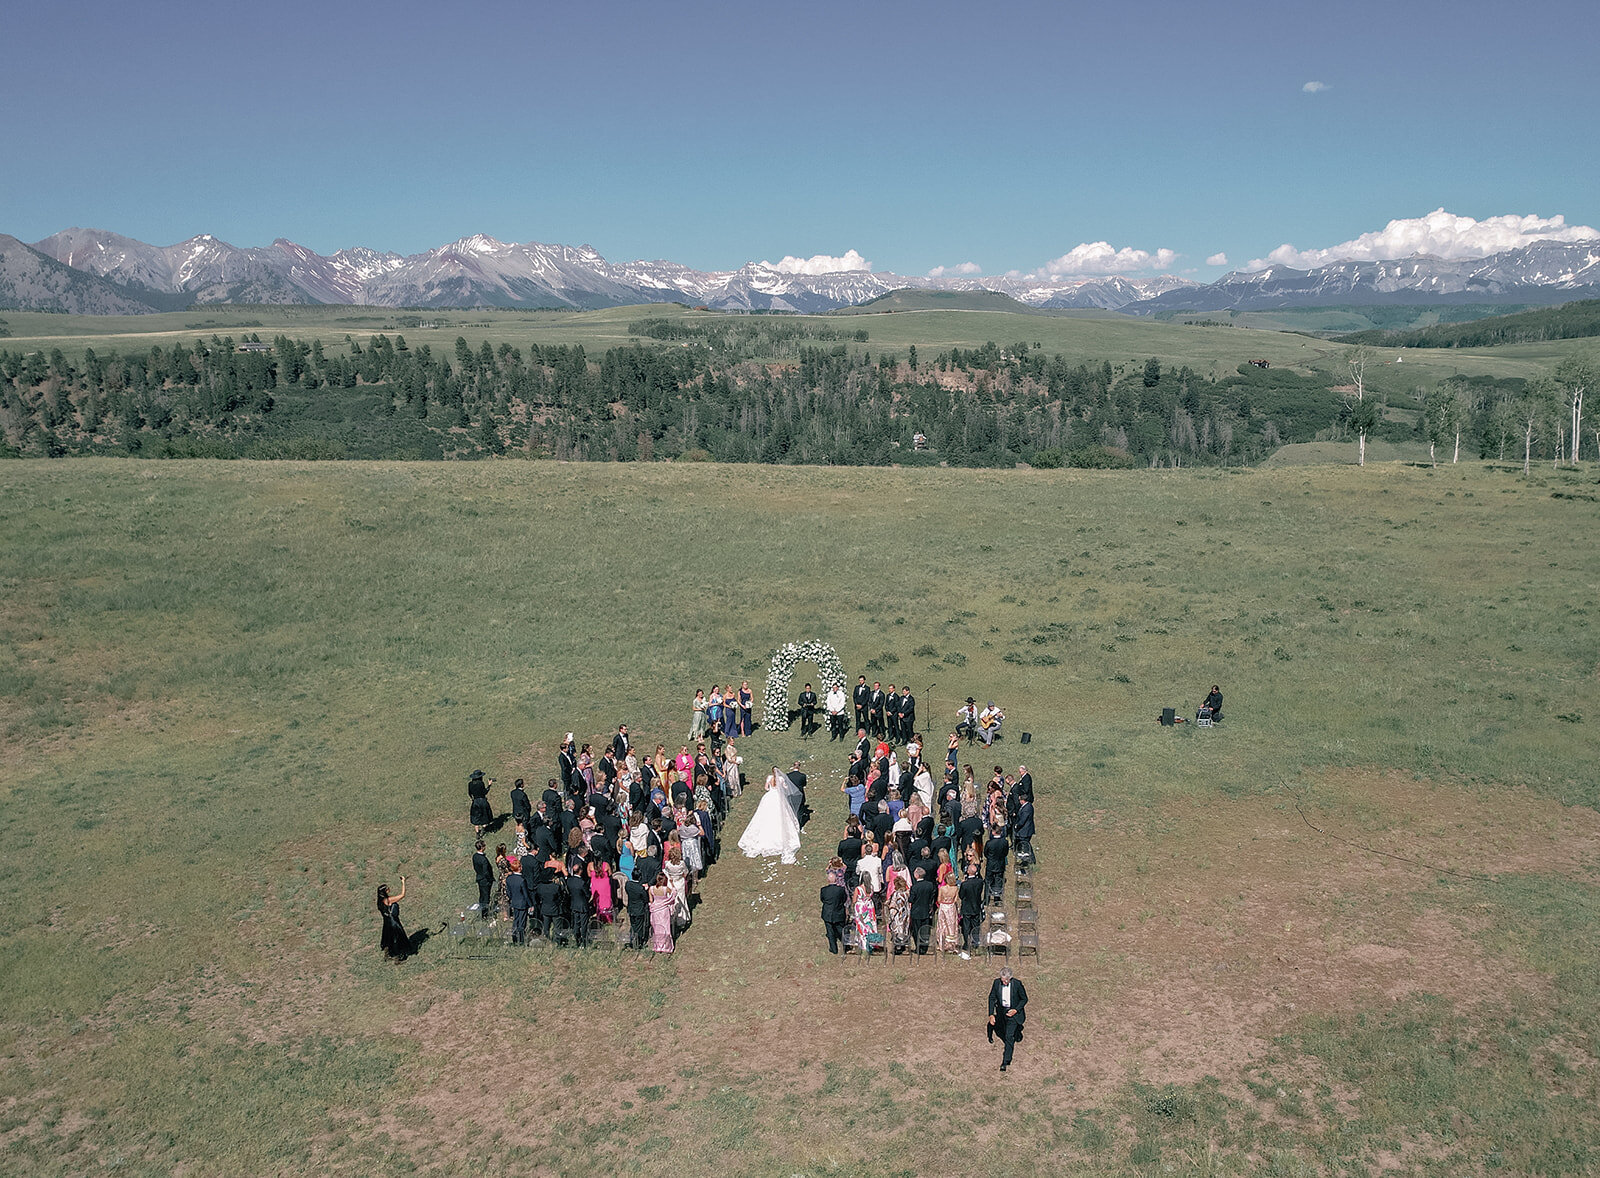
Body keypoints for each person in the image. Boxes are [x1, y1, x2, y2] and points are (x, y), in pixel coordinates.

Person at [737, 767, 803, 863]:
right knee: (780, 816)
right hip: (778, 797)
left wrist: (771, 789)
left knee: (765, 815)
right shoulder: (781, 779)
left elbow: (766, 788)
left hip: (769, 797)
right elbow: (785, 787)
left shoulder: (769, 778)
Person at [988, 965, 1029, 1071]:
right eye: (1002, 980)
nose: (1004, 983)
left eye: (1006, 981)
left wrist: (1015, 1010)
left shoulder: (1017, 984)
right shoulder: (996, 983)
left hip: (1013, 1013)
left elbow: (1024, 999)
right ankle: (1015, 1033)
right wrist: (991, 1014)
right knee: (1005, 1030)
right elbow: (992, 998)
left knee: (1008, 1037)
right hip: (1002, 1012)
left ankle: (1006, 1061)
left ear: (1010, 978)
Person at [958, 862, 985, 958]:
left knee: (966, 927)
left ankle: (966, 943)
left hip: (967, 907)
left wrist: (962, 883)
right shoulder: (980, 882)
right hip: (976, 906)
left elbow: (961, 896)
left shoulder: (965, 884)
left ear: (968, 872)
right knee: (976, 925)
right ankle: (975, 941)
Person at [377, 878, 409, 959]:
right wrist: (403, 883)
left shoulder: (379, 901)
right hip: (393, 922)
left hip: (386, 922)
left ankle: (387, 954)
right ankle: (397, 957)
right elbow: (402, 895)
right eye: (387, 888)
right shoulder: (388, 900)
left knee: (388, 938)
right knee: (397, 938)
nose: (389, 889)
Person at [909, 867, 938, 954]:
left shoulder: (914, 887)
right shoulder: (930, 885)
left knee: (916, 930)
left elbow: (911, 899)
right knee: (925, 930)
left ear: (917, 875)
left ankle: (918, 947)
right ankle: (924, 947)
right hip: (926, 910)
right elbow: (933, 896)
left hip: (916, 911)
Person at [820, 872, 848, 953]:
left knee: (830, 932)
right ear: (836, 879)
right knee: (841, 930)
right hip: (839, 913)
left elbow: (822, 900)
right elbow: (844, 899)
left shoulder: (824, 890)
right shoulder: (841, 890)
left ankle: (833, 949)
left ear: (828, 880)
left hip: (827, 914)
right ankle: (845, 947)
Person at [852, 876, 882, 953]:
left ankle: (863, 943)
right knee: (870, 924)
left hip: (861, 907)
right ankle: (871, 942)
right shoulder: (871, 887)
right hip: (869, 906)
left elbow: (854, 900)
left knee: (861, 924)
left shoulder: (858, 889)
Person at [506, 855, 530, 944]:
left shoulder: (509, 879)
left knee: (516, 921)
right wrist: (530, 904)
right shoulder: (522, 880)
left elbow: (508, 892)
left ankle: (514, 939)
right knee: (522, 922)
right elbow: (526, 894)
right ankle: (521, 940)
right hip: (522, 903)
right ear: (519, 868)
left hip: (514, 901)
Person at [649, 872, 675, 953]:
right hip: (663, 910)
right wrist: (672, 884)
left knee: (657, 928)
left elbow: (651, 900)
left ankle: (658, 946)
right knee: (666, 928)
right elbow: (674, 893)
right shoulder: (665, 889)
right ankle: (666, 946)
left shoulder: (651, 888)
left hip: (655, 910)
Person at [886, 873, 912, 954]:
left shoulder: (896, 894)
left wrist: (891, 915)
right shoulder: (907, 893)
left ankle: (897, 947)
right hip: (906, 913)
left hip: (897, 913)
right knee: (905, 928)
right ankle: (904, 944)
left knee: (897, 929)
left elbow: (892, 905)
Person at [935, 872, 960, 953]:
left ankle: (942, 943)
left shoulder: (942, 888)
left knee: (942, 925)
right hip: (951, 907)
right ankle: (951, 943)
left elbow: (939, 900)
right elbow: (956, 900)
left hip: (943, 906)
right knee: (952, 925)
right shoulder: (956, 888)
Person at [472, 839, 494, 919]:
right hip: (485, 880)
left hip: (479, 878)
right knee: (486, 898)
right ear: (482, 847)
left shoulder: (475, 856)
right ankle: (485, 915)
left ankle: (482, 911)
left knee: (482, 896)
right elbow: (486, 872)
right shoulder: (483, 859)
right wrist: (490, 879)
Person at [468, 770, 492, 835]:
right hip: (482, 801)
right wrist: (489, 785)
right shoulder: (481, 783)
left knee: (476, 817)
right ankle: (484, 829)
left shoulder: (470, 784)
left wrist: (473, 799)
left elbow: (470, 793)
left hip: (475, 801)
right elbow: (484, 792)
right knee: (484, 815)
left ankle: (477, 832)